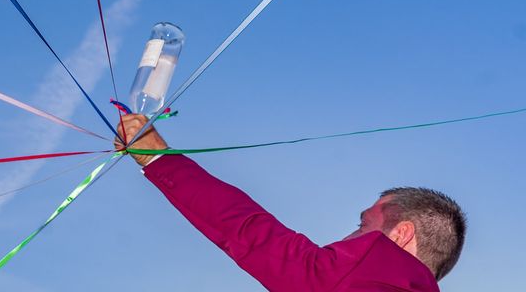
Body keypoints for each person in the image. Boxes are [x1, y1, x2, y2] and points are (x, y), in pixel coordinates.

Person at [117, 114, 466, 292]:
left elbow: (252, 234)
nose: (349, 237)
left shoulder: (369, 272)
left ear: (401, 234)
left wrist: (159, 159)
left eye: (364, 224)